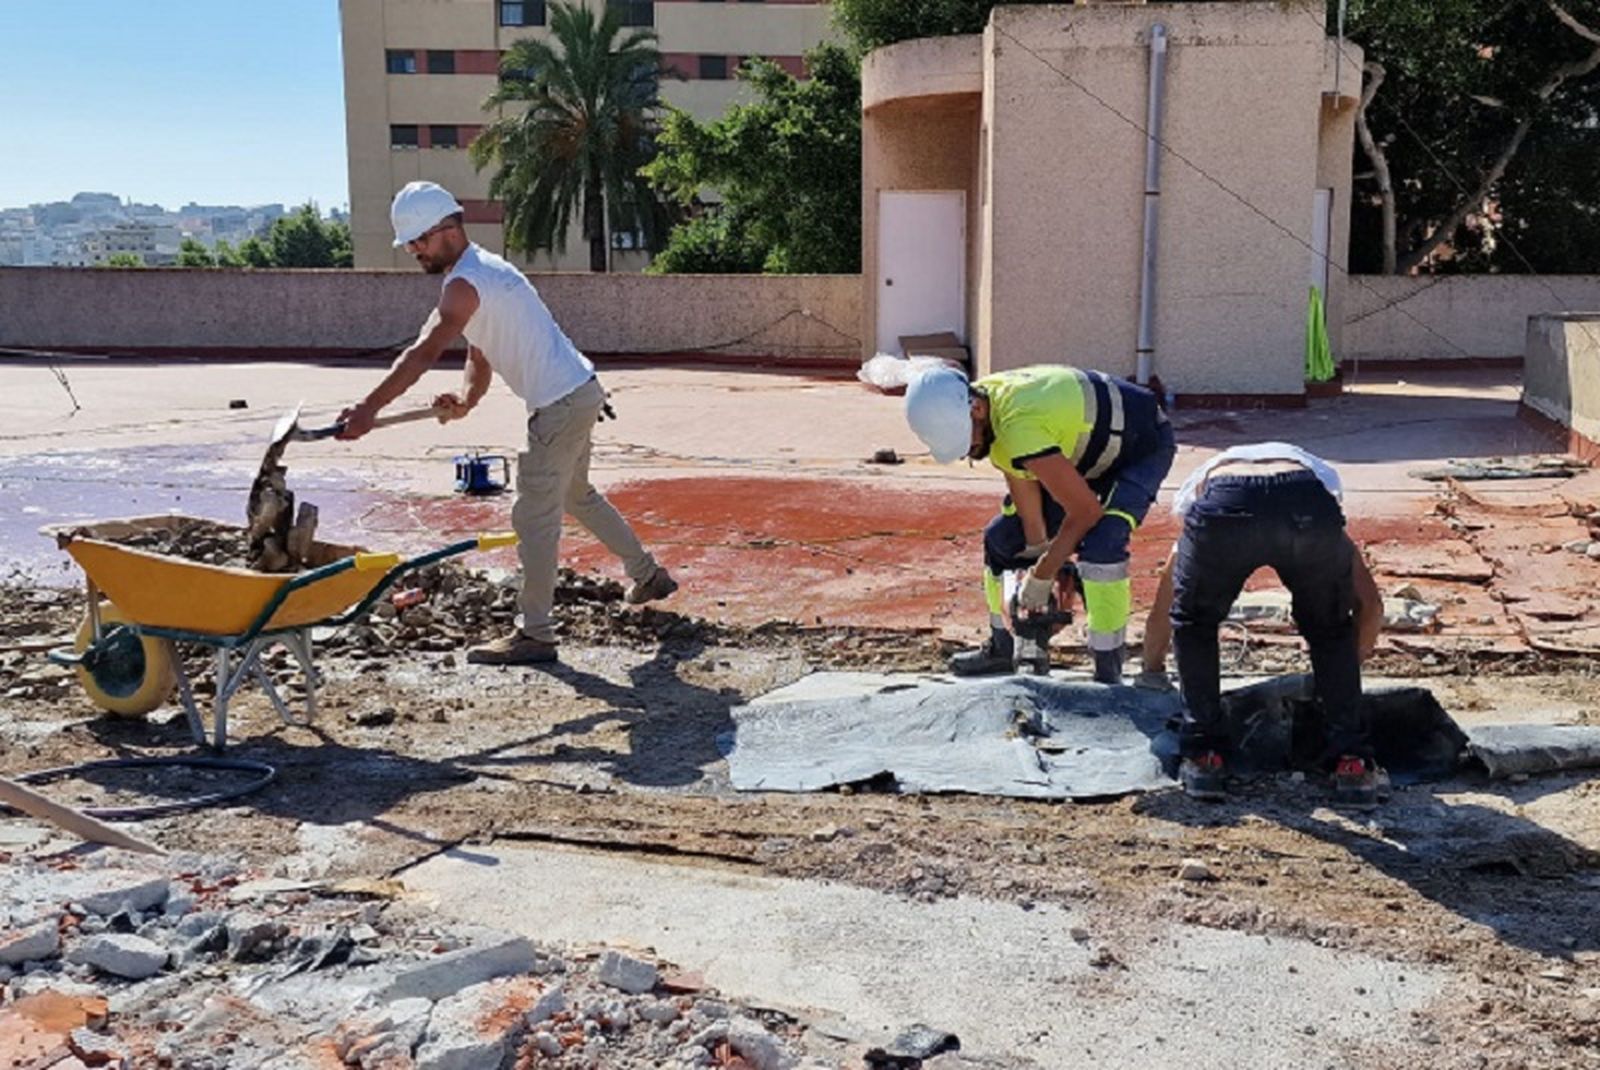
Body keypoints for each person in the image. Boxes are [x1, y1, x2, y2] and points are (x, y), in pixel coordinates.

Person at [336, 181, 678, 665]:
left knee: (534, 516)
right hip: (579, 392)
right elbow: (480, 349)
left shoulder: (464, 284)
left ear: (447, 229)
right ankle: (648, 576)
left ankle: (535, 634)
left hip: (560, 403)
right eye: (410, 242)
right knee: (576, 495)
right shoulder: (481, 274)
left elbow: (424, 352)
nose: (412, 250)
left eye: (418, 240)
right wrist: (467, 398)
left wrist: (368, 409)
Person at [904, 363, 1177, 683]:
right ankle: (1003, 647)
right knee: (1002, 538)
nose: (969, 450)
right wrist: (1041, 554)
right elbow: (1024, 492)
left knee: (1103, 543)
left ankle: (1108, 673)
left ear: (975, 409)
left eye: (966, 439)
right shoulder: (987, 405)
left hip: (1140, 446)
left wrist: (1045, 573)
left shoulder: (1018, 427)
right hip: (1088, 450)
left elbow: (1086, 512)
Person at [1151, 442, 1385, 807]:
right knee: (1331, 628)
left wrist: (1151, 667)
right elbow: (1369, 603)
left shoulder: (1202, 488)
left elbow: (1172, 601)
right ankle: (1352, 763)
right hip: (1305, 509)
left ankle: (1204, 757)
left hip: (1226, 506)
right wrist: (1348, 666)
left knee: (1196, 622)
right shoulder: (1320, 480)